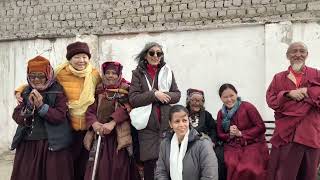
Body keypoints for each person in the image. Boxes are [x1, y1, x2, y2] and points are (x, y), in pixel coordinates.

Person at [15, 41, 101, 180]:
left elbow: (105, 90)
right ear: (70, 59)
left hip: (84, 126)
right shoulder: (60, 73)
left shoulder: (94, 75)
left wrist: (41, 107)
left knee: (83, 167)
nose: (81, 60)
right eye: (77, 57)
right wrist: (21, 92)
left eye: (84, 57)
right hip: (64, 129)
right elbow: (37, 82)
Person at [10, 56, 73, 180]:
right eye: (32, 76)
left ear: (48, 74)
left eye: (41, 76)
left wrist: (41, 107)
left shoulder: (58, 91)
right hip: (28, 145)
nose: (36, 80)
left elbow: (60, 116)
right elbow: (17, 116)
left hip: (51, 145)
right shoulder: (26, 91)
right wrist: (29, 107)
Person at [266, 42, 320, 180]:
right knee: (284, 174)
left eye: (302, 51)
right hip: (286, 134)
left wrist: (307, 92)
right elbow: (271, 100)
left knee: (308, 174)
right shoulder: (278, 78)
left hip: (310, 131)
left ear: (307, 55)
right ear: (287, 55)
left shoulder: (317, 74)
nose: (298, 54)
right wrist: (288, 94)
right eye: (294, 51)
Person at [128, 42, 181, 180]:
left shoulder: (167, 72)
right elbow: (133, 99)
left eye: (159, 53)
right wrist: (154, 94)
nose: (155, 56)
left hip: (165, 126)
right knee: (150, 167)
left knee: (167, 165)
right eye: (152, 53)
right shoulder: (137, 74)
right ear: (145, 55)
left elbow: (177, 95)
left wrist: (164, 95)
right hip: (147, 127)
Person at [83, 61, 140, 180]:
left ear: (119, 75)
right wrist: (94, 123)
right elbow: (90, 109)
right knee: (98, 169)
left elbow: (127, 108)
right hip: (100, 136)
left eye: (114, 73)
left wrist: (112, 123)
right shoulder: (98, 89)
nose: (110, 76)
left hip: (118, 137)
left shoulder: (126, 89)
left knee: (117, 169)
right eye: (107, 72)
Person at [217, 83, 269, 180]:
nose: (229, 99)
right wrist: (230, 135)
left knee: (248, 167)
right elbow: (220, 134)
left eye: (231, 95)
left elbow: (261, 127)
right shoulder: (221, 113)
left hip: (253, 144)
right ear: (221, 98)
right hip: (232, 146)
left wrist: (241, 133)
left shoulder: (247, 107)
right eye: (225, 97)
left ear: (236, 94)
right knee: (231, 164)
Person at [154, 105, 218, 180]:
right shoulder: (165, 144)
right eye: (177, 121)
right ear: (170, 124)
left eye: (184, 120)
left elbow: (210, 176)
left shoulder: (203, 144)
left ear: (189, 121)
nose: (181, 125)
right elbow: (160, 171)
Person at [186, 88, 226, 180]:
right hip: (188, 144)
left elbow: (213, 129)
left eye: (200, 101)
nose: (197, 103)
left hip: (205, 144)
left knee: (218, 157)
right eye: (194, 100)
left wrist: (212, 141)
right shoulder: (183, 113)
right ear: (188, 101)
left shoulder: (206, 115)